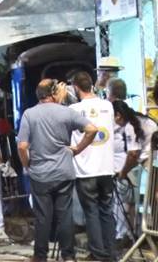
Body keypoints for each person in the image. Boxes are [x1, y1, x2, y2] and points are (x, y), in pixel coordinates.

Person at [18, 79, 99, 262]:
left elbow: (22, 146)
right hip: (64, 172)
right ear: (54, 93)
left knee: (43, 217)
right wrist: (77, 150)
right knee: (65, 215)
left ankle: (40, 256)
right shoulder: (67, 112)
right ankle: (68, 256)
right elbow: (92, 129)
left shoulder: (29, 115)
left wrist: (26, 165)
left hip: (40, 174)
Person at [68, 71, 116, 261]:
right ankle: (111, 253)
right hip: (106, 168)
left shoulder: (73, 109)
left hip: (85, 170)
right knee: (106, 211)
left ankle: (98, 253)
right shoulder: (108, 106)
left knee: (91, 213)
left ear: (76, 88)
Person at [112, 100, 143, 245]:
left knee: (129, 201)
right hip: (145, 165)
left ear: (118, 115)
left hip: (145, 166)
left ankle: (130, 236)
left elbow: (133, 154)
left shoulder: (130, 126)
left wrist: (123, 173)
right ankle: (133, 235)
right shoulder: (137, 118)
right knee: (133, 203)